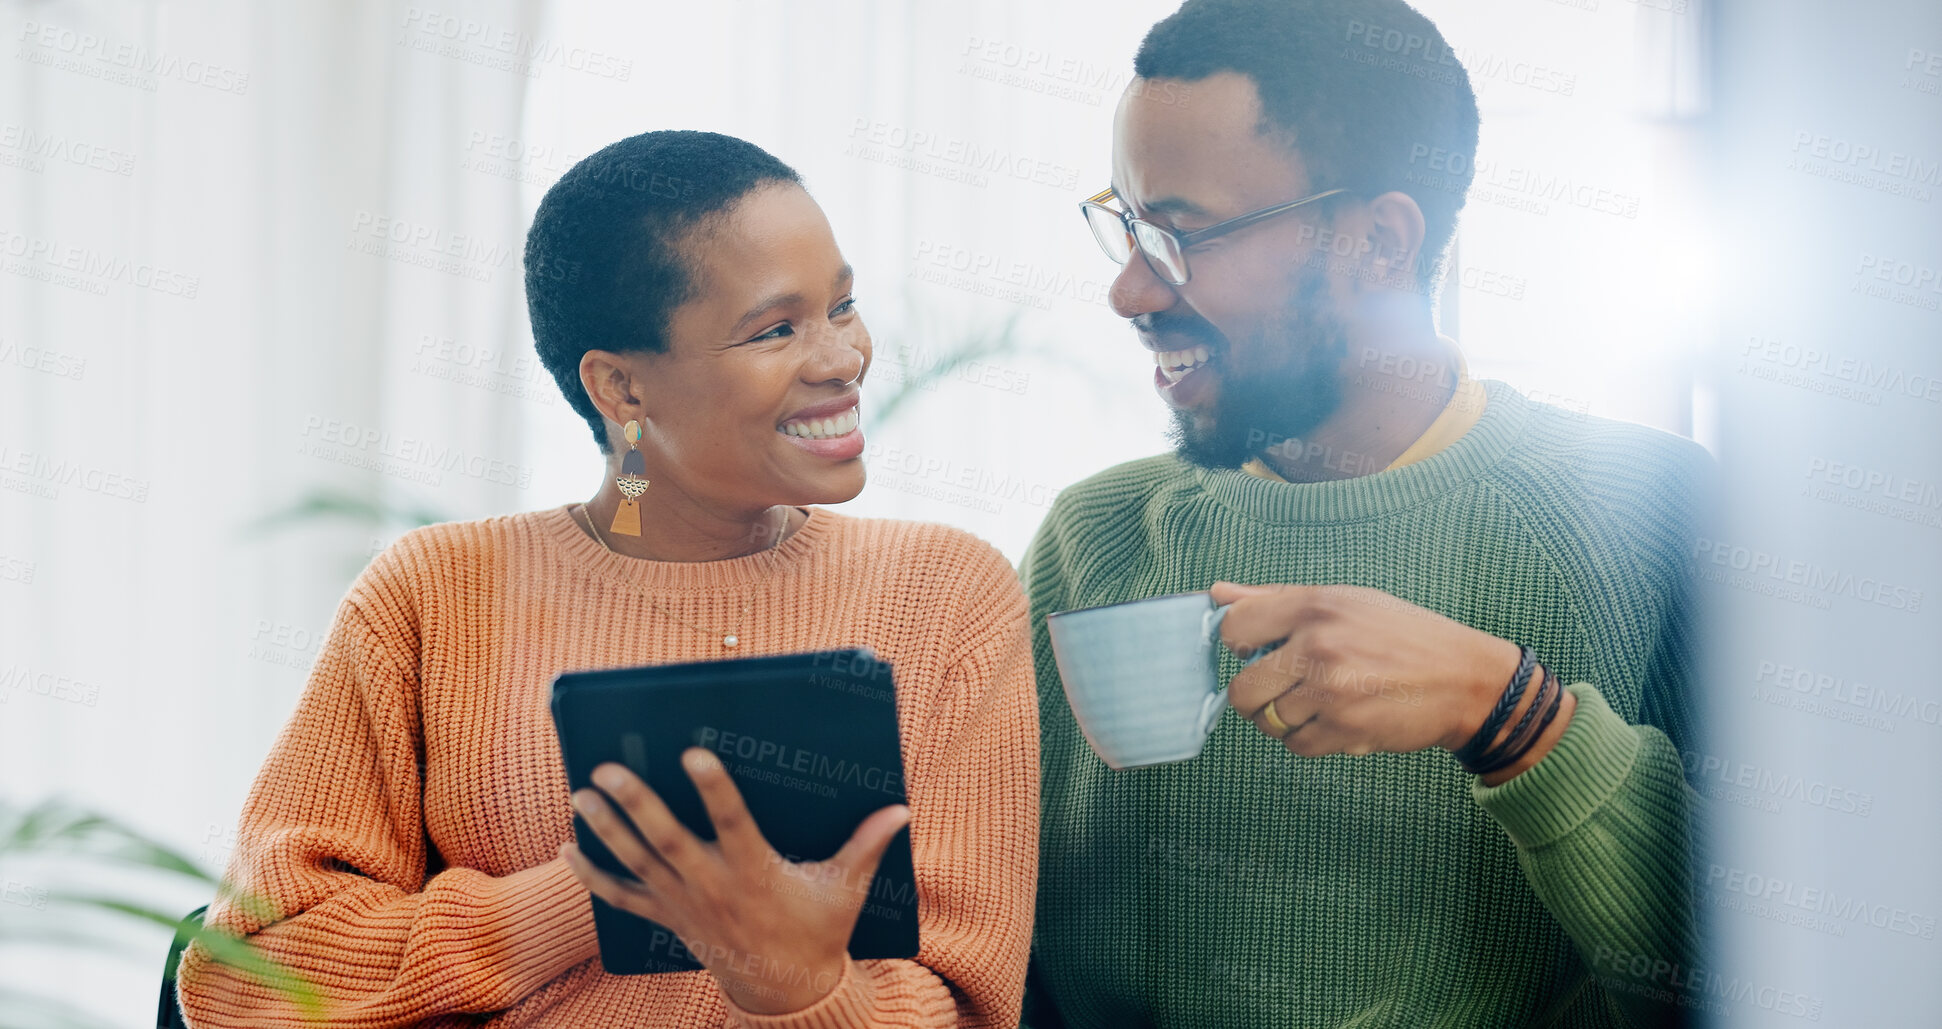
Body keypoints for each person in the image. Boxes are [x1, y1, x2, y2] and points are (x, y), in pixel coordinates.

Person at [176, 130, 1039, 1028]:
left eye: (843, 306)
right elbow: (248, 978)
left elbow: (965, 1003)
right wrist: (595, 888)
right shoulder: (436, 591)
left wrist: (792, 979)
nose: (841, 358)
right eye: (776, 328)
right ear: (622, 388)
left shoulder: (947, 594)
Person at [1021, 1, 1711, 1026]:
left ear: (1379, 242)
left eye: (1177, 235)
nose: (1127, 291)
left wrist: (1511, 715)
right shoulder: (1093, 537)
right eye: (1124, 226)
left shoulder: (1655, 513)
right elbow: (999, 955)